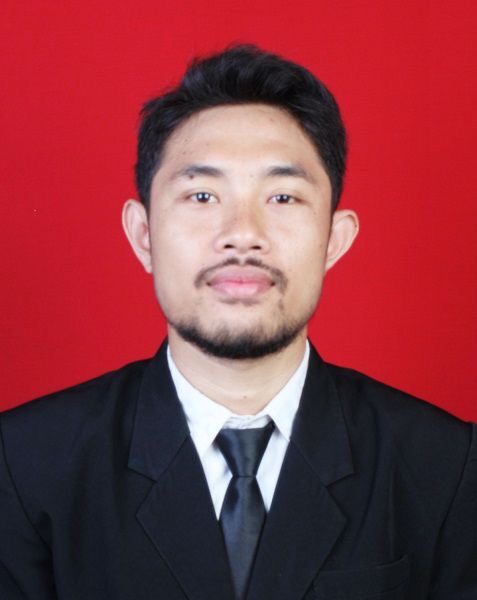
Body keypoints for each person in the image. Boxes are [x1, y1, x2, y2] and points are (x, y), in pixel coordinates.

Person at [0, 45, 475, 600]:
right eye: (202, 195)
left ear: (334, 239)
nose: (243, 233)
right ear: (143, 235)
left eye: (282, 197)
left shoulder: (445, 466)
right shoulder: (24, 463)